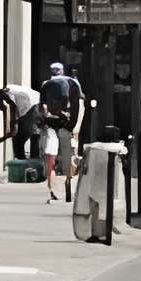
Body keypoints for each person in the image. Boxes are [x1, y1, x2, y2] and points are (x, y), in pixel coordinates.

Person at [37, 60, 84, 203]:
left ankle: (52, 190)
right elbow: (80, 106)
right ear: (63, 71)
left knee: (51, 158)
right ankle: (69, 184)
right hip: (68, 125)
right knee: (69, 155)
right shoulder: (73, 83)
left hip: (51, 125)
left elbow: (42, 107)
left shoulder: (46, 84)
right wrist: (76, 128)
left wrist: (45, 120)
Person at [0, 79, 42, 164]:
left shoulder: (8, 95)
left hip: (33, 106)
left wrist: (13, 125)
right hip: (32, 105)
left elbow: (13, 109)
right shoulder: (9, 90)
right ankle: (23, 162)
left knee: (26, 136)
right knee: (22, 137)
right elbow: (10, 111)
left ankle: (29, 164)